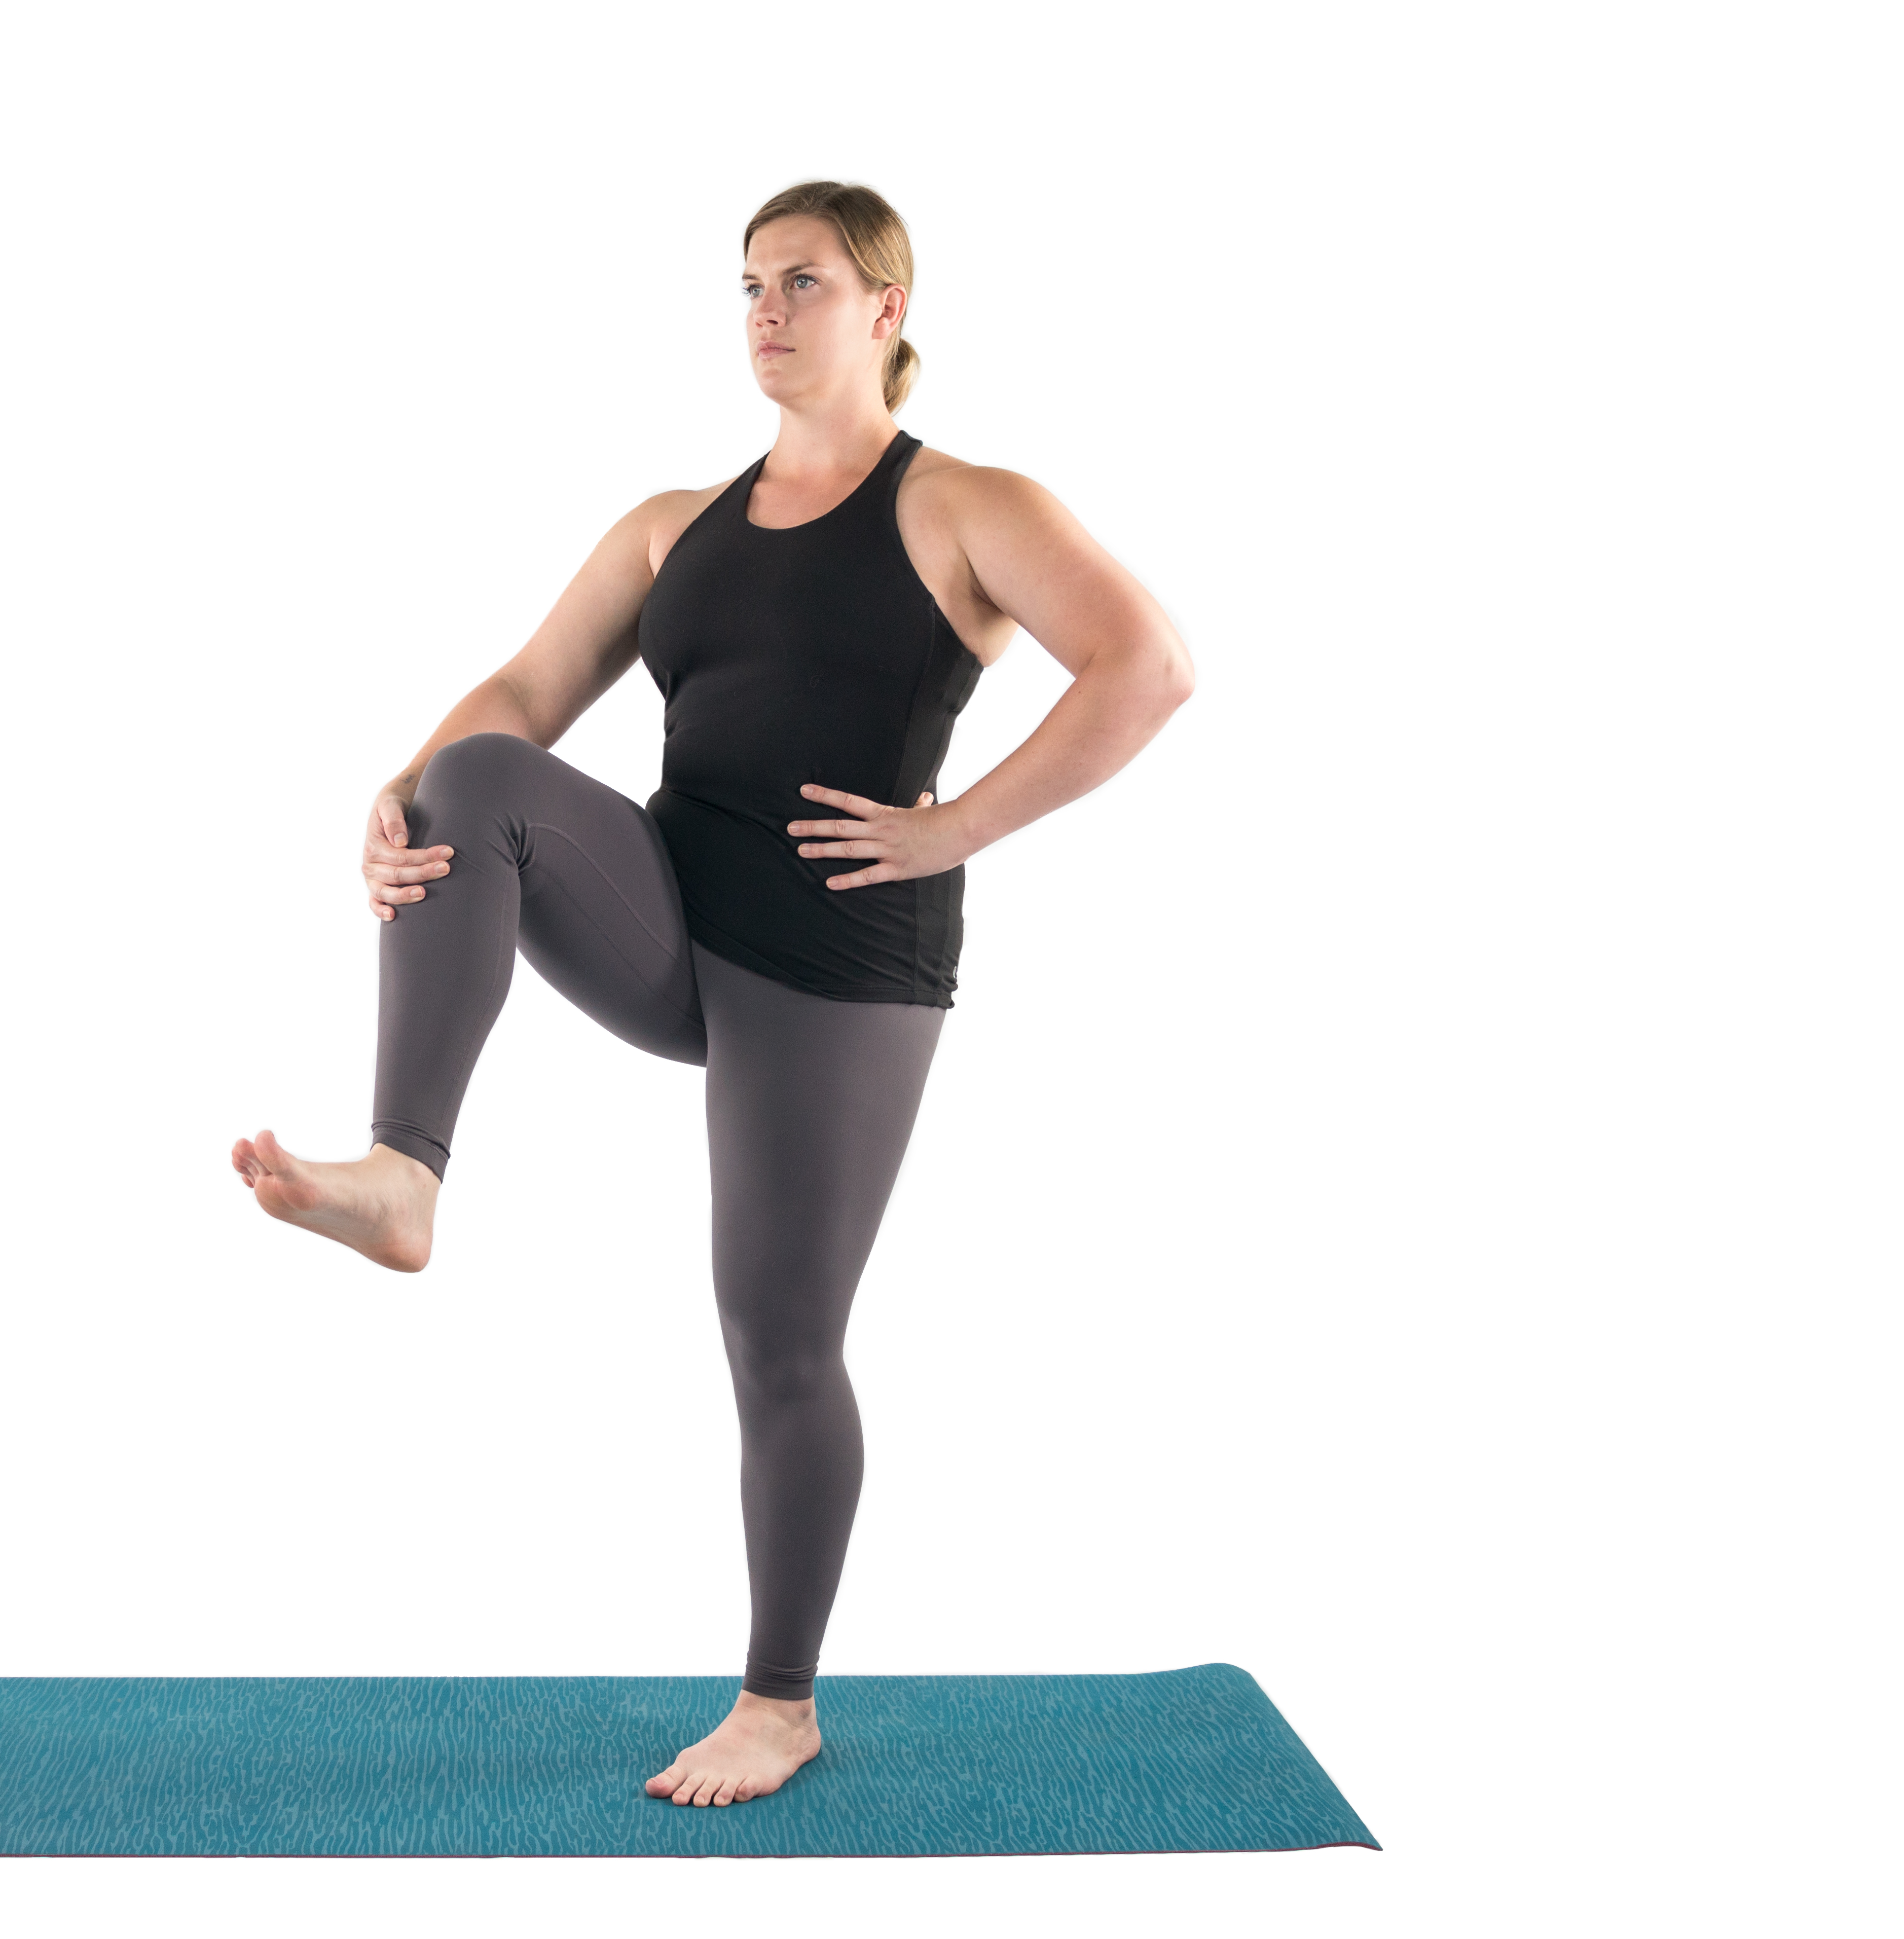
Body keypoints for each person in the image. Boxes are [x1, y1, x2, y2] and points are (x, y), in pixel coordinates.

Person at [229, 180, 1195, 1808]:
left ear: (885, 309)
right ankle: (406, 1176)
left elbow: (1148, 663)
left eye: (801, 283)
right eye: (747, 284)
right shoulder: (673, 524)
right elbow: (535, 693)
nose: (765, 311)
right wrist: (393, 797)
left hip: (838, 963)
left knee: (780, 1337)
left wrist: (956, 827)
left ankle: (780, 1700)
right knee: (478, 775)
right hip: (673, 917)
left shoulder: (963, 504)